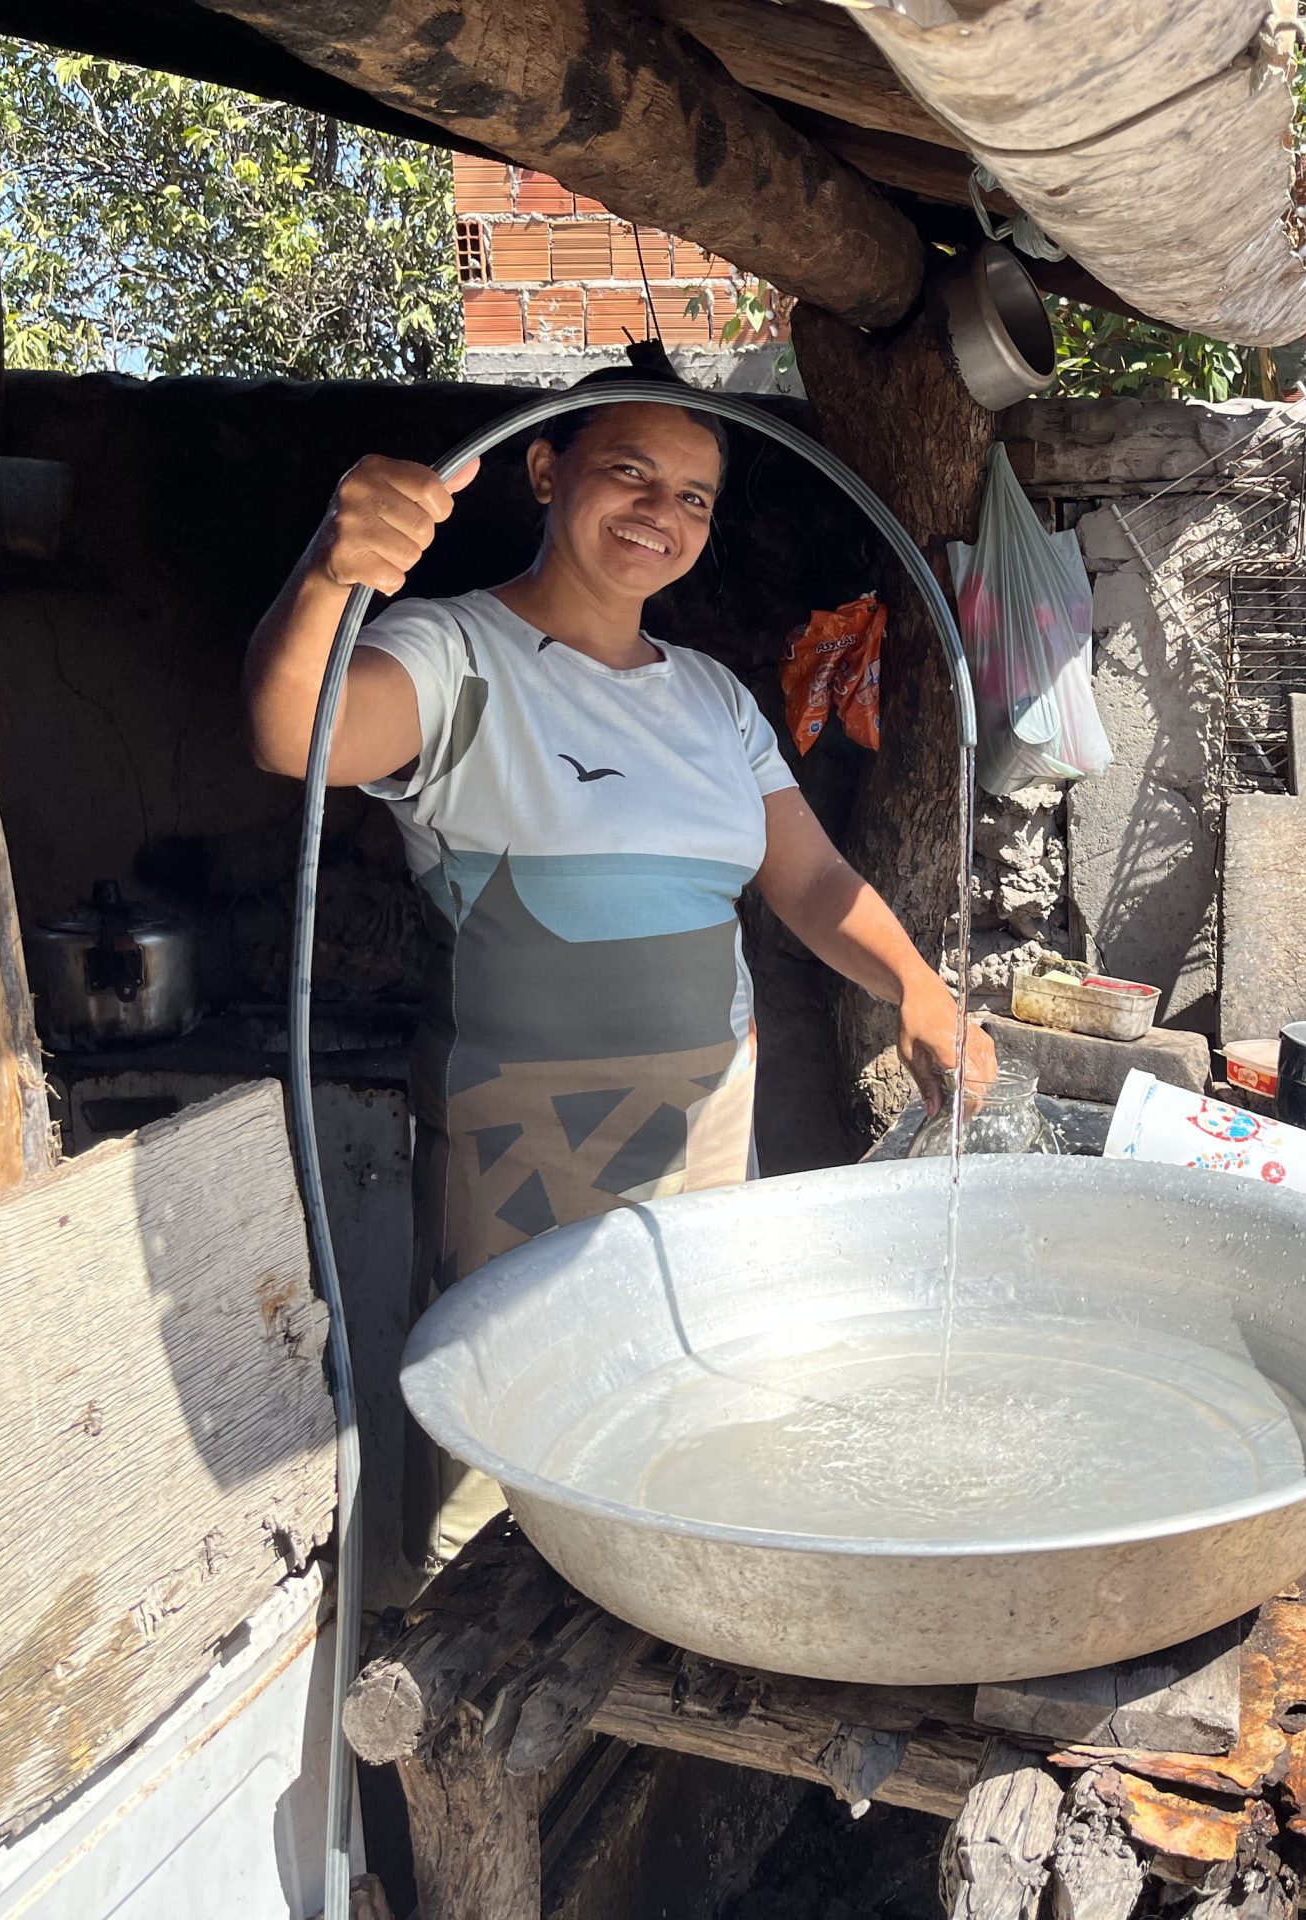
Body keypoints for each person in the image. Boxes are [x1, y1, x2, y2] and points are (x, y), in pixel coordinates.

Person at [244, 377, 994, 1563]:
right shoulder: (450, 651)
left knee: (693, 1445)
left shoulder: (712, 698)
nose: (662, 512)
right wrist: (334, 573)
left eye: (693, 496)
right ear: (547, 471)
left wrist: (916, 987)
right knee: (506, 1484)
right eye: (631, 471)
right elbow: (298, 732)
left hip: (703, 1150)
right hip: (518, 1159)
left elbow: (803, 879)